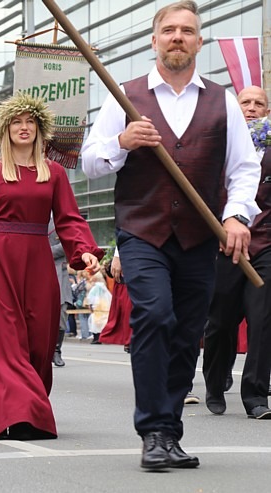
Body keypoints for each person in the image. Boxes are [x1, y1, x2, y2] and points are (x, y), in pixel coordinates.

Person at [81, 1, 262, 470]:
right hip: (143, 232)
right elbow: (90, 162)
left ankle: (170, 433)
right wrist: (122, 143)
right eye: (169, 30)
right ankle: (154, 430)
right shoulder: (125, 96)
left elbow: (244, 168)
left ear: (199, 42)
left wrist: (237, 217)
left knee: (186, 336)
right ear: (154, 40)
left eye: (187, 31)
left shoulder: (221, 99)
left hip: (200, 238)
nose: (178, 37)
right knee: (156, 317)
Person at [0, 93, 102, 440]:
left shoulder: (55, 173)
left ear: (39, 129)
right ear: (6, 130)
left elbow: (69, 220)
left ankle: (26, 408)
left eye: (29, 122)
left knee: (38, 345)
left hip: (37, 265)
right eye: (16, 122)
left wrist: (84, 251)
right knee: (5, 344)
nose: (23, 127)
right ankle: (22, 416)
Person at [202, 85, 271, 420]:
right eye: (246, 102)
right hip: (225, 246)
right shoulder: (220, 144)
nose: (252, 108)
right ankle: (215, 383)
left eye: (260, 103)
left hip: (266, 247)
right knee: (220, 322)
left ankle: (256, 396)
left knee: (262, 321)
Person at [49, 217, 70, 367]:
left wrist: (42, 251)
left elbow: (67, 243)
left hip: (58, 270)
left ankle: (56, 349)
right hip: (33, 267)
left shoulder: (60, 219)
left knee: (61, 311)